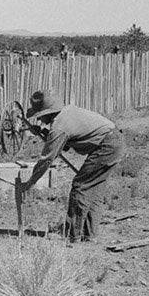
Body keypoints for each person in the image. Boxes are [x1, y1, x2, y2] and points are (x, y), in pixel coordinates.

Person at [19, 90, 123, 242]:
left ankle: (72, 235)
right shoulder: (65, 115)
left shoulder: (59, 126)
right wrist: (43, 132)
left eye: (40, 116)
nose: (40, 119)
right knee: (94, 189)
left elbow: (47, 159)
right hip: (114, 141)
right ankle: (89, 234)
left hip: (107, 146)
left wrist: (30, 182)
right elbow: (66, 144)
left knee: (80, 186)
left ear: (48, 113)